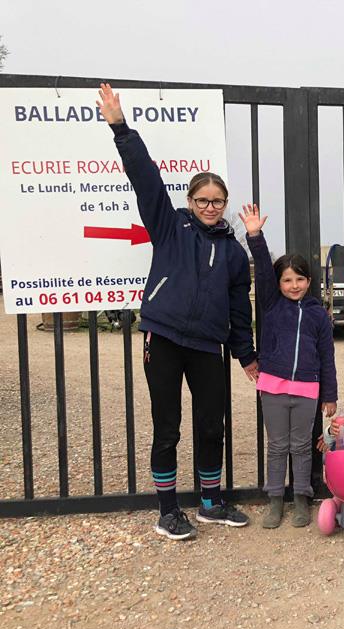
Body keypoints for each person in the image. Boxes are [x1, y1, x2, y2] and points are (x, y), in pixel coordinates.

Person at [97, 84, 257, 540]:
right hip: (164, 338)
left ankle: (210, 502)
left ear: (225, 205)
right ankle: (168, 509)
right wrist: (120, 128)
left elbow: (238, 309)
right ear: (190, 202)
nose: (210, 207)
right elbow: (144, 177)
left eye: (217, 201)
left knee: (211, 424)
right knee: (168, 426)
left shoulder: (231, 251)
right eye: (202, 200)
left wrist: (246, 355)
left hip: (208, 346)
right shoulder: (168, 225)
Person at [239, 204, 337, 529]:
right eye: (287, 280)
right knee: (278, 446)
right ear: (279, 284)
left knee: (302, 446)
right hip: (273, 388)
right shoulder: (271, 305)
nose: (293, 285)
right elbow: (264, 272)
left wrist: (330, 396)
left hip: (307, 391)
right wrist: (255, 235)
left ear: (309, 281)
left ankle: (301, 499)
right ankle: (275, 501)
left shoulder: (318, 315)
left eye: (299, 279)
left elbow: (327, 357)